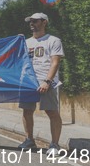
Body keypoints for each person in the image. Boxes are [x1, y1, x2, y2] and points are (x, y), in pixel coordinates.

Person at [18, 13, 64, 156]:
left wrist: (47, 81)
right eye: (30, 21)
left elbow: (55, 62)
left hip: (46, 81)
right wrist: (16, 42)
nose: (32, 23)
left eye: (35, 21)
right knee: (27, 111)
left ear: (44, 22)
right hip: (28, 81)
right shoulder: (25, 42)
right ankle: (29, 140)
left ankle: (55, 145)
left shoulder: (53, 40)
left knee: (52, 112)